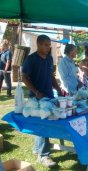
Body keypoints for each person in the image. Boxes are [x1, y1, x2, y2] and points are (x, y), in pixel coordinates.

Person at [22, 35, 62, 168]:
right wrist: (36, 92)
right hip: (36, 98)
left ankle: (37, 148)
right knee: (43, 124)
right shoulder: (31, 59)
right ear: (38, 44)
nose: (48, 47)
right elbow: (25, 78)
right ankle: (44, 155)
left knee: (44, 123)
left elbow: (51, 76)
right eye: (46, 44)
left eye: (49, 44)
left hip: (49, 95)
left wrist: (58, 88)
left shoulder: (50, 58)